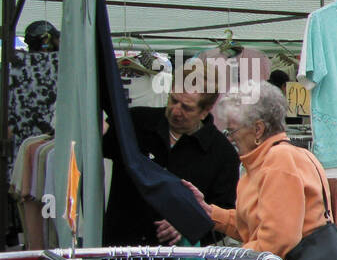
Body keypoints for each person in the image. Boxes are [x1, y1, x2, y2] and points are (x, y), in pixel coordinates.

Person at [184, 83, 331, 260]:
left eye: (232, 129)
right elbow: (258, 226)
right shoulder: (276, 159)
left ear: (258, 129)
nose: (230, 137)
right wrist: (211, 213)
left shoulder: (278, 162)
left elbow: (277, 238)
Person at [102, 88, 241, 247]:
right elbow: (96, 146)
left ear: (205, 111)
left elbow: (222, 216)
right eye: (173, 100)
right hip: (117, 249)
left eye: (186, 107)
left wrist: (188, 225)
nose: (176, 111)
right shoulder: (135, 122)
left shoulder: (223, 154)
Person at [8, 19, 60, 145]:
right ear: (46, 40)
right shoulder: (58, 63)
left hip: (19, 142)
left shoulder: (15, 64)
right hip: (49, 142)